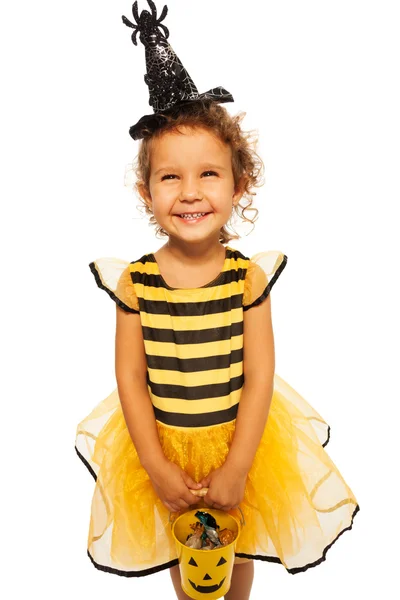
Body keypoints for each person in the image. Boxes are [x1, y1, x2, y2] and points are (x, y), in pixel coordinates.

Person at [75, 3, 360, 599]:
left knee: (237, 550)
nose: (190, 192)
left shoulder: (247, 279)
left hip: (240, 441)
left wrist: (235, 468)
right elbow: (130, 375)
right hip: (164, 443)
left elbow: (260, 375)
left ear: (239, 183)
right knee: (188, 559)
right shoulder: (137, 282)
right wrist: (156, 466)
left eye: (209, 174)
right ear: (145, 190)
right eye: (169, 177)